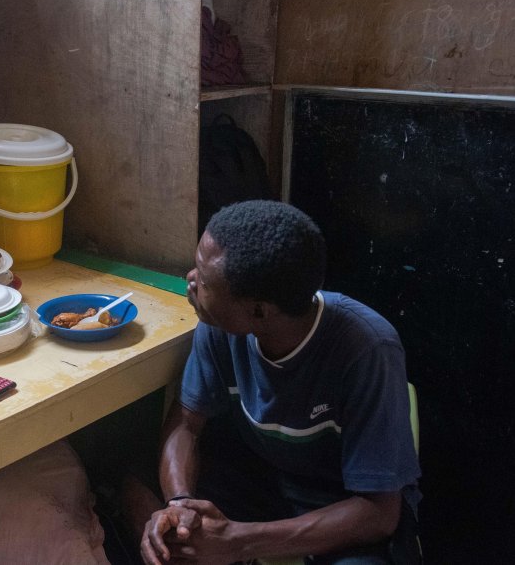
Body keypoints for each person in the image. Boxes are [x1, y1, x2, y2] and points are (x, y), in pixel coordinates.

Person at [136, 200, 421, 565]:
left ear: (258, 311)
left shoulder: (367, 348)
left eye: (205, 282)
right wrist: (180, 506)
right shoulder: (219, 324)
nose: (191, 280)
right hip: (266, 478)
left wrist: (239, 541)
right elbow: (187, 423)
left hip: (340, 503)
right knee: (135, 484)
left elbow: (379, 513)